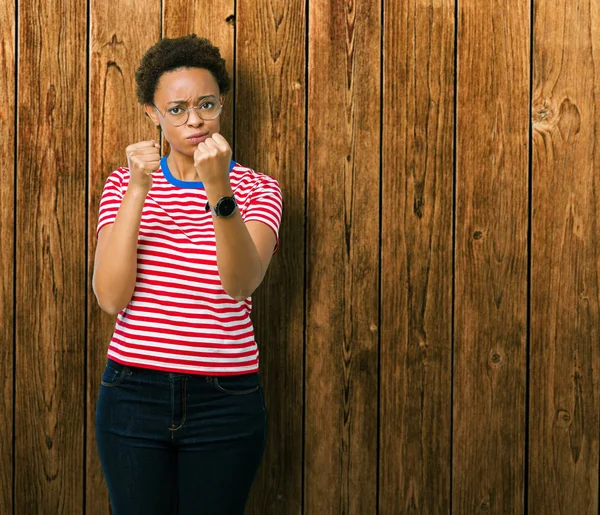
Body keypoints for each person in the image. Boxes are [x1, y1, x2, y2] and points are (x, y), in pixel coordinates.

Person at [92, 34, 282, 515]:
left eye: (206, 104)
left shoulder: (259, 189)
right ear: (152, 114)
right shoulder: (123, 183)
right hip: (132, 391)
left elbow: (240, 285)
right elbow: (111, 298)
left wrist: (217, 184)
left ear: (222, 103)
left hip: (225, 397)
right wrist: (138, 189)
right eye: (176, 109)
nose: (194, 120)